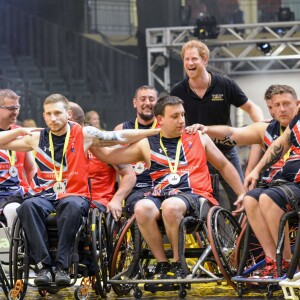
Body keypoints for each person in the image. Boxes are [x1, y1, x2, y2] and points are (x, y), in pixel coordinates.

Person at [0, 94, 159, 287]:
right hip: (46, 195)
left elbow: (121, 136)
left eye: (57, 113)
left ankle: (62, 266)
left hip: (75, 195)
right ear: (43, 116)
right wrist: (21, 130)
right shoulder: (36, 138)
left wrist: (155, 131)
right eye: (48, 114)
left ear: (68, 114)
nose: (53, 118)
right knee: (26, 206)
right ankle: (43, 266)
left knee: (71, 204)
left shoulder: (84, 134)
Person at [91, 95, 245, 278]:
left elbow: (224, 166)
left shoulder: (198, 137)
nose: (181, 121)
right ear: (160, 120)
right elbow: (110, 157)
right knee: (141, 208)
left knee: (171, 205)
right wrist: (87, 140)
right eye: (175, 117)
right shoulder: (147, 143)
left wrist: (242, 193)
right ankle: (163, 264)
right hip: (161, 195)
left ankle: (178, 263)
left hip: (195, 196)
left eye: (183, 115)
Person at [170, 40, 264, 211]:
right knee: (201, 205)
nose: (190, 63)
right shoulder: (177, 91)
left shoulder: (225, 84)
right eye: (186, 59)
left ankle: (246, 237)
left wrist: (261, 127)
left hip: (226, 151)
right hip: (196, 157)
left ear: (205, 60)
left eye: (194, 59)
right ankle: (213, 237)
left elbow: (251, 106)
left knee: (242, 198)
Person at [187, 85, 299, 214]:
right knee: (251, 199)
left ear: (297, 104)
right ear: (271, 108)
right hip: (274, 187)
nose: (282, 109)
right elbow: (232, 134)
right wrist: (207, 130)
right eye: (277, 105)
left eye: (286, 104)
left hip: (293, 185)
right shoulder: (265, 129)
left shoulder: (297, 125)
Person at [69, 102, 136, 220]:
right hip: (68, 200)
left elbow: (130, 175)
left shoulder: (104, 144)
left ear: (70, 118)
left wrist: (117, 199)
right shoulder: (60, 146)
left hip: (98, 202)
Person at [114, 85, 160, 214]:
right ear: (135, 103)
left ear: (158, 103)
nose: (147, 103)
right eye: (143, 99)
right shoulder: (121, 130)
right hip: (134, 188)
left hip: (162, 186)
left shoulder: (166, 129)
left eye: (151, 99)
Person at [0, 89, 36, 231]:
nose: (15, 112)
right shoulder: (20, 132)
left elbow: (31, 168)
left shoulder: (21, 131)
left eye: (17, 107)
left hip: (19, 193)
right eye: (11, 108)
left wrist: (34, 189)